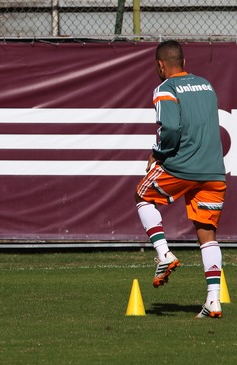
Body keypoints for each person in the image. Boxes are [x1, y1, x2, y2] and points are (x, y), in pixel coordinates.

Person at [135, 40, 225, 319]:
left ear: (160, 66)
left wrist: (157, 154)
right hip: (213, 171)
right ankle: (213, 300)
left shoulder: (165, 89)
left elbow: (171, 127)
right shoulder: (207, 85)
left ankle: (163, 253)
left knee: (142, 195)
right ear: (184, 63)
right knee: (206, 233)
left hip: (182, 166)